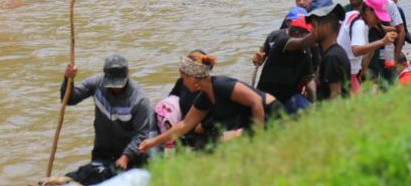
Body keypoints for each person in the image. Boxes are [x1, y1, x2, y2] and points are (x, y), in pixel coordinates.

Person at [138, 51, 283, 152]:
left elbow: (256, 101)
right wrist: (154, 142)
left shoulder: (221, 84)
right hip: (248, 122)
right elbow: (184, 125)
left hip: (270, 115)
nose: (182, 82)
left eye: (184, 78)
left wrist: (259, 137)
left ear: (194, 78)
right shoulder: (205, 97)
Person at [61, 55, 156, 185]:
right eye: (112, 84)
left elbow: (142, 134)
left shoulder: (139, 100)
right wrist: (68, 79)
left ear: (127, 75)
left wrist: (126, 156)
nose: (115, 88)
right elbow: (69, 99)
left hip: (129, 158)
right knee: (86, 176)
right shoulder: (97, 84)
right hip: (102, 153)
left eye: (119, 84)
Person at [338, 0, 397, 93]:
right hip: (347, 74)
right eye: (378, 16)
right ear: (368, 10)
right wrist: (381, 42)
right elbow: (356, 50)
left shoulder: (353, 15)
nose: (379, 20)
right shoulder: (359, 24)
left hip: (348, 71)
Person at [253, 16, 316, 114]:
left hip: (290, 97)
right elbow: (303, 42)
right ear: (297, 34)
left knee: (311, 112)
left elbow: (309, 81)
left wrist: (314, 102)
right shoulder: (281, 42)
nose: (314, 44)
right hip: (267, 97)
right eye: (310, 36)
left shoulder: (306, 50)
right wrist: (320, 33)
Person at [359, 0, 405, 84]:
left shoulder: (388, 4)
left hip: (386, 56)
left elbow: (401, 31)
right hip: (367, 57)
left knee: (389, 88)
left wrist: (395, 56)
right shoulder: (362, 5)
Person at [305, 3, 350, 100]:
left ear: (327, 27)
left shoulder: (332, 57)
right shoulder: (335, 53)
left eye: (314, 25)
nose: (311, 30)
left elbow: (336, 94)